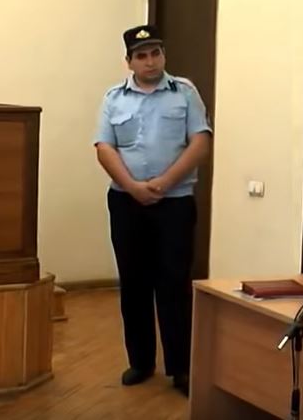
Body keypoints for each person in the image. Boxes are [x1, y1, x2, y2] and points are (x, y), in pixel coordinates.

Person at [93, 24, 212, 396]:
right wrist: (133, 187)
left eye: (156, 53)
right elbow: (104, 147)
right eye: (142, 56)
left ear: (163, 55)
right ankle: (141, 361)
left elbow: (200, 142)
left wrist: (164, 183)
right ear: (129, 61)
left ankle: (181, 368)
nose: (150, 61)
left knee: (174, 283)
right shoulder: (114, 98)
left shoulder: (185, 93)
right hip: (126, 203)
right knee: (134, 283)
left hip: (174, 203)